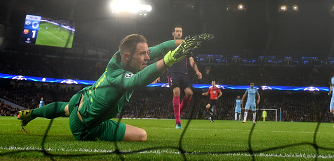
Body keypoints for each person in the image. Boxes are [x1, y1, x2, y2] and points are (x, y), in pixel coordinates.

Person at [17, 33, 212, 141]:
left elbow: (160, 47)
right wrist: (170, 59)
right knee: (142, 136)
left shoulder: (123, 59)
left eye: (147, 53)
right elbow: (137, 80)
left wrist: (183, 42)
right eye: (143, 54)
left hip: (83, 98)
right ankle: (34, 114)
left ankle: (31, 114)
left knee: (64, 108)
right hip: (86, 127)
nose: (148, 56)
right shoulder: (118, 76)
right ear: (128, 56)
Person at [168, 26, 203, 129]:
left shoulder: (186, 46)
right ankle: (178, 122)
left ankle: (178, 114)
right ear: (173, 33)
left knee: (189, 93)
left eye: (180, 31)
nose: (179, 33)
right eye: (177, 31)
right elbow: (162, 60)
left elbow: (191, 60)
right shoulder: (169, 45)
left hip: (184, 73)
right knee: (177, 92)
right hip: (172, 72)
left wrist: (197, 71)